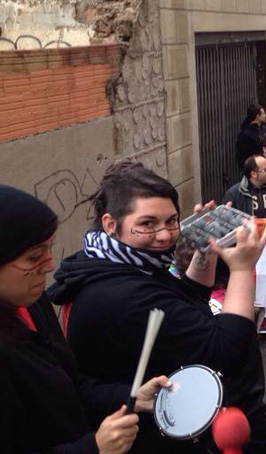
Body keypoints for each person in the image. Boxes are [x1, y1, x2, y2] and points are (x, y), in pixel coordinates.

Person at [48, 162, 266, 453]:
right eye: (147, 223)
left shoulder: (119, 262)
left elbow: (185, 300)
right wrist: (243, 269)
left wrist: (206, 250)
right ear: (110, 223)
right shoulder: (125, 295)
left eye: (171, 221)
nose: (165, 235)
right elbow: (228, 351)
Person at [0, 185, 169, 454]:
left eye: (49, 249)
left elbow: (71, 387)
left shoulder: (32, 303)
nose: (49, 264)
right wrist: (93, 448)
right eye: (34, 257)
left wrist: (132, 397)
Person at [224, 154, 266, 218]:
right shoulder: (235, 193)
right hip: (247, 227)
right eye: (265, 169)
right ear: (254, 174)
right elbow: (227, 218)